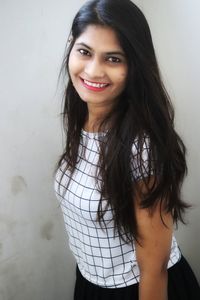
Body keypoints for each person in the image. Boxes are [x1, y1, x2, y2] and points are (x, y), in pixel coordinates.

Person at [54, 0, 200, 299]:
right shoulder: (82, 118)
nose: (93, 70)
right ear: (71, 47)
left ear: (134, 66)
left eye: (113, 59)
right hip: (90, 281)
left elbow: (154, 268)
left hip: (138, 289)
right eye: (84, 52)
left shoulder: (141, 147)